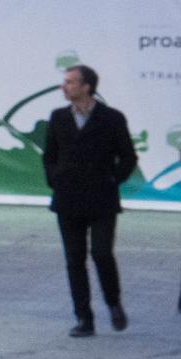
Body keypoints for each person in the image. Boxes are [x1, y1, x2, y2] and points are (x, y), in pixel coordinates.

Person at [42, 65, 137, 337]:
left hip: (101, 199)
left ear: (86, 87)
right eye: (65, 81)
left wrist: (112, 180)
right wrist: (54, 179)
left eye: (70, 82)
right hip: (68, 198)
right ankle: (84, 318)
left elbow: (128, 157)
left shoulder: (112, 118)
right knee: (74, 259)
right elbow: (49, 155)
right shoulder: (58, 117)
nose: (64, 86)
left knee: (102, 253)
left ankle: (113, 302)